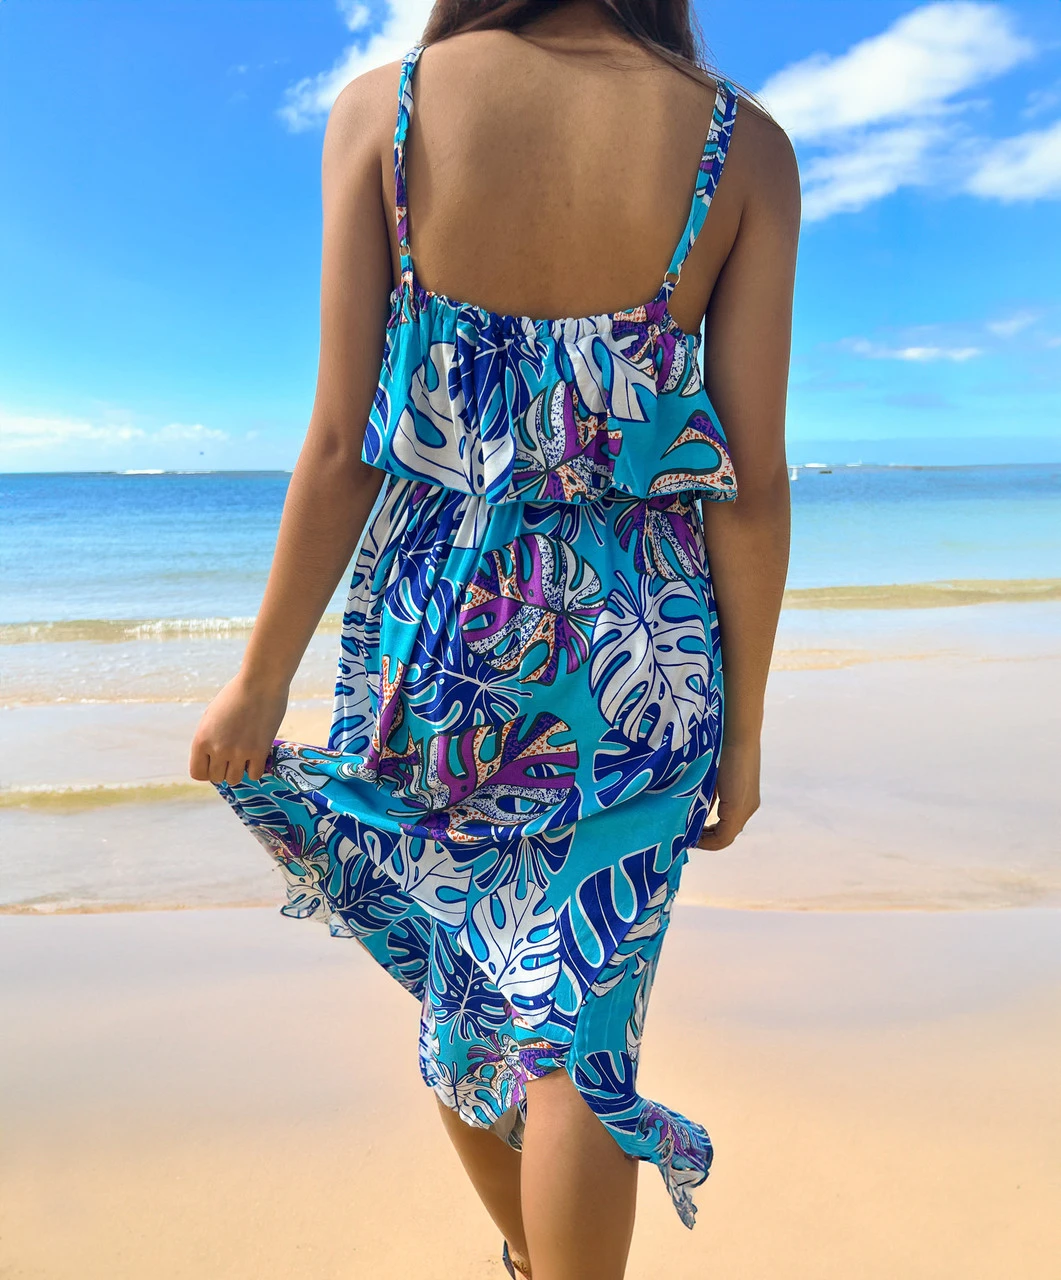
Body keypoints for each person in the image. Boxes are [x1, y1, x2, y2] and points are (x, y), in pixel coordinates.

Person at [189, 2, 798, 1276]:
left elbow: (339, 447)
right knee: (578, 1039)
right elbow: (748, 482)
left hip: (438, 644)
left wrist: (259, 680)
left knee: (465, 996)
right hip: (644, 650)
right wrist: (743, 732)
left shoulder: (383, 111)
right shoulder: (740, 148)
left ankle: (528, 1257)